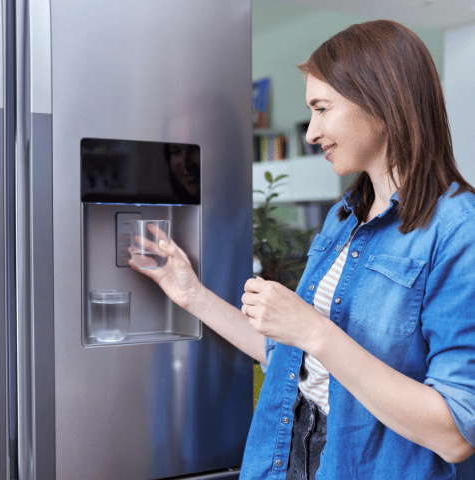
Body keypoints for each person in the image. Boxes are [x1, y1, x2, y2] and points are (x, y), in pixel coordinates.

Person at [130, 20, 475, 479]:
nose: (311, 133)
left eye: (322, 109)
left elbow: (456, 434)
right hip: (287, 456)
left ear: (383, 102)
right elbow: (291, 357)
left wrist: (316, 332)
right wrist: (190, 293)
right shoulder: (343, 219)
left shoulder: (459, 229)